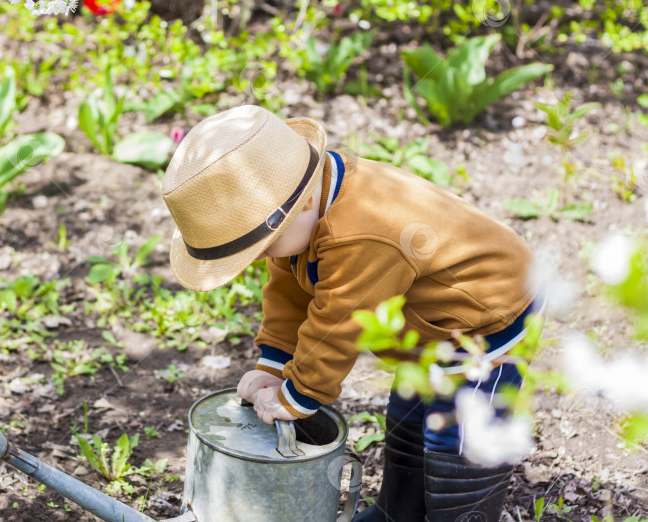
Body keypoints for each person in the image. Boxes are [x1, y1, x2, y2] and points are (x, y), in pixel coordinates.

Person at [161, 105, 540, 522]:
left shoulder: (361, 234)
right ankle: (398, 513)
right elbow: (287, 293)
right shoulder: (302, 206)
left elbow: (341, 322)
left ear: (300, 203)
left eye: (261, 246)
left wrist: (298, 395)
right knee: (410, 420)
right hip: (431, 327)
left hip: (485, 320)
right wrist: (275, 360)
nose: (261, 256)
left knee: (461, 437)